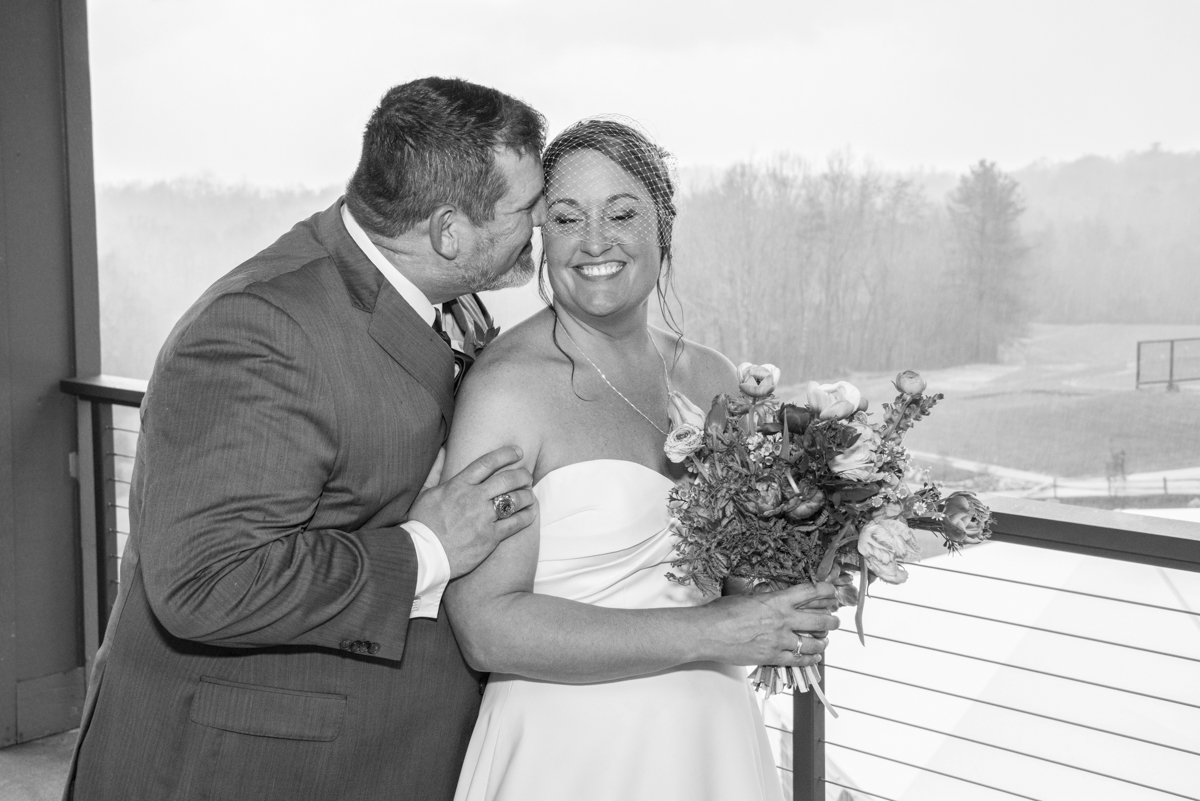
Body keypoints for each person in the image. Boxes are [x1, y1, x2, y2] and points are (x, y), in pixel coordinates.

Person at [63, 77, 546, 800]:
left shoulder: (435, 292)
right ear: (449, 232)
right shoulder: (260, 330)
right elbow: (205, 582)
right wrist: (430, 546)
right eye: (527, 209)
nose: (542, 224)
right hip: (248, 766)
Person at [444, 118, 838, 801]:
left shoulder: (717, 379)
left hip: (712, 752)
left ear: (663, 225)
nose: (594, 241)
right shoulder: (508, 388)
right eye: (567, 218)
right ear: (542, 236)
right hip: (569, 758)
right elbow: (487, 627)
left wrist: (815, 566)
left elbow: (746, 584)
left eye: (621, 213)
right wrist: (715, 628)